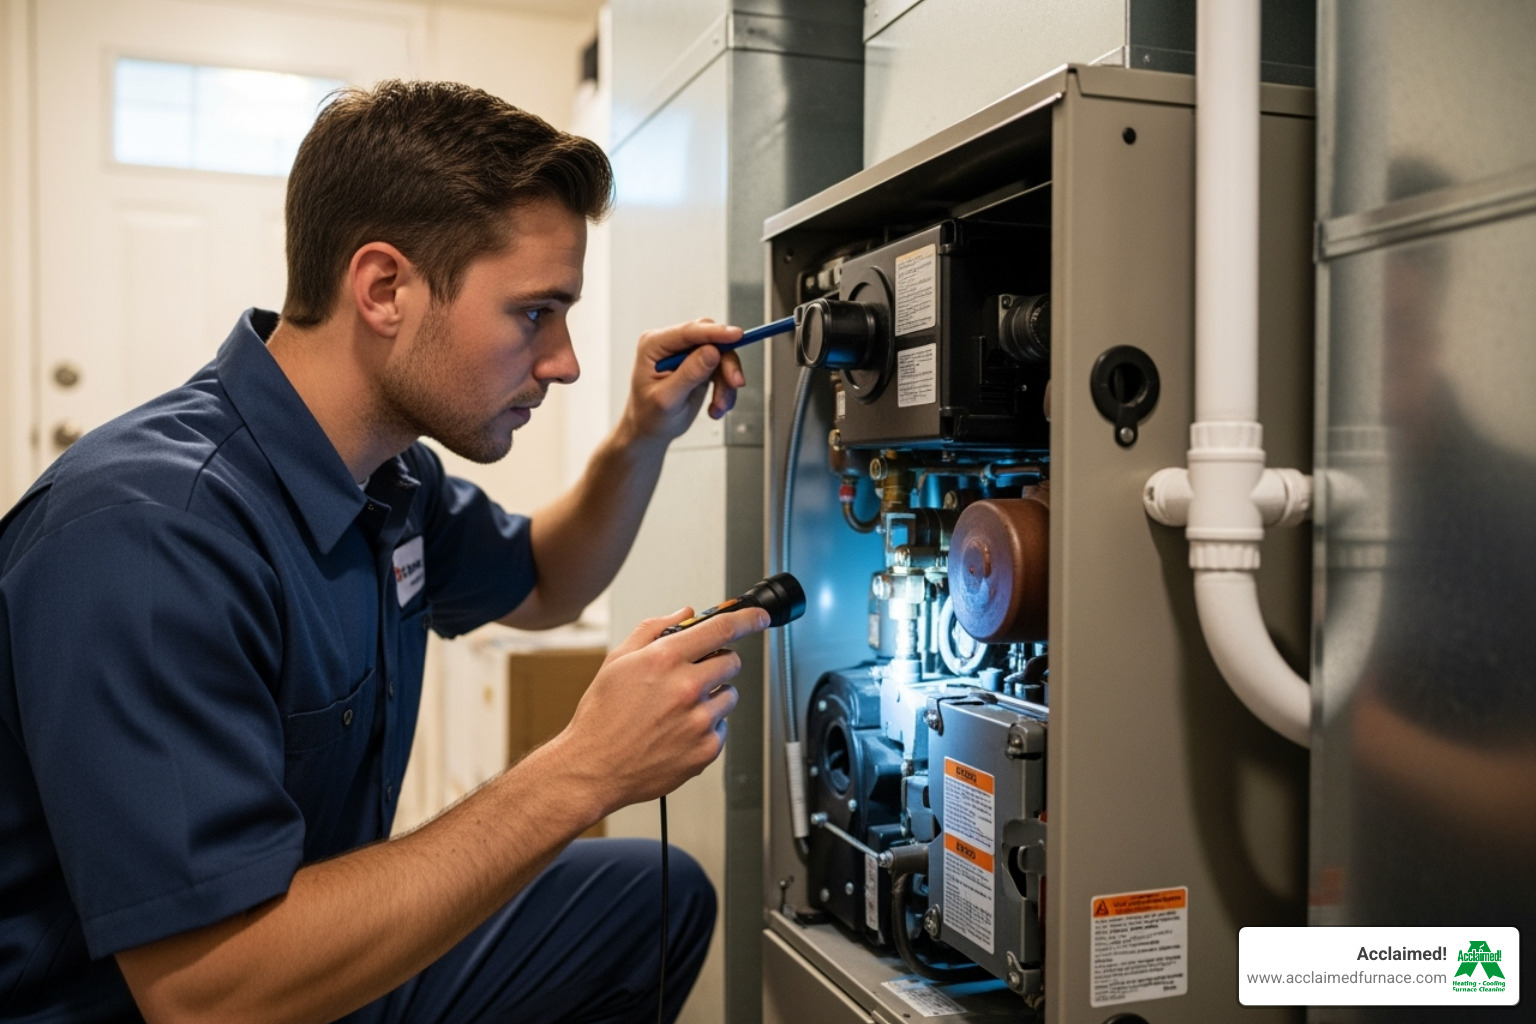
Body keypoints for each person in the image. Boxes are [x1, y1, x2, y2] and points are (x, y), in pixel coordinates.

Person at [0, 80, 767, 1024]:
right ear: (384, 290)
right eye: (535, 313)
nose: (565, 361)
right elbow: (206, 995)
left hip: (303, 960)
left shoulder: (390, 477)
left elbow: (545, 582)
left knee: (650, 899)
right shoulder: (150, 537)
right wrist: (582, 771)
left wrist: (641, 435)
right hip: (199, 996)